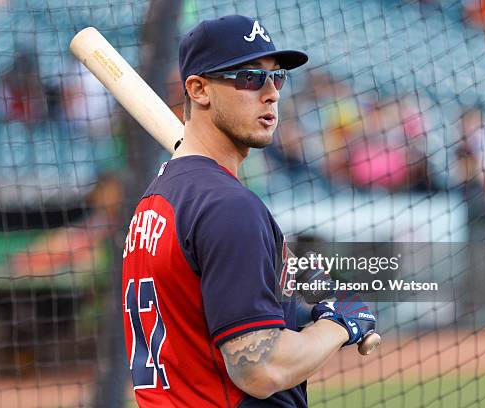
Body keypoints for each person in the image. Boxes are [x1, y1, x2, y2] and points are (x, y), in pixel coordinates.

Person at [121, 15, 376, 407]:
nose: (271, 93)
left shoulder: (156, 201)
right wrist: (341, 324)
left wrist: (302, 304)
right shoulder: (227, 206)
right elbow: (260, 369)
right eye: (250, 77)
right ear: (199, 89)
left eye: (277, 78)